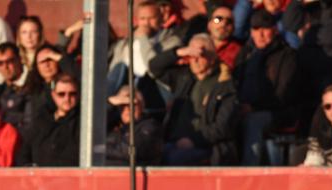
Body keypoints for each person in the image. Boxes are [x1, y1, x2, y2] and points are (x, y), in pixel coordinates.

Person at [150, 34, 239, 165]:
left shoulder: (224, 85)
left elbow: (222, 127)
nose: (195, 60)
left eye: (201, 54)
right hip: (173, 141)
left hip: (206, 146)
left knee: (172, 159)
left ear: (213, 57)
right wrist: (180, 52)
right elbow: (154, 67)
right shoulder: (184, 77)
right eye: (192, 55)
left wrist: (194, 140)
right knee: (148, 156)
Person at [234, 9, 299, 165]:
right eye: (256, 29)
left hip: (276, 112)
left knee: (253, 121)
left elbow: (284, 94)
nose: (260, 34)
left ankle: (249, 172)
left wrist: (253, 107)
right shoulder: (245, 53)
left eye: (265, 29)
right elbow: (234, 83)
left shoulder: (287, 55)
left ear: (275, 30)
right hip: (243, 108)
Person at [15, 72, 80, 166]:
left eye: (72, 94)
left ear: (78, 95)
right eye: (61, 94)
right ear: (53, 95)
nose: (67, 98)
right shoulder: (41, 121)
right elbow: (24, 153)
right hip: (39, 178)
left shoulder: (84, 122)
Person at [105, 86, 163, 166]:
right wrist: (109, 103)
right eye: (123, 105)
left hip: (134, 174)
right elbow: (89, 131)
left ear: (142, 106)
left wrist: (98, 149)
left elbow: (129, 152)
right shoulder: (112, 124)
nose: (128, 109)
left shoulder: (151, 127)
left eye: (133, 104)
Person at [0, 42, 29, 132]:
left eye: (9, 61)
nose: (5, 67)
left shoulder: (32, 83)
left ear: (20, 60)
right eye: (0, 63)